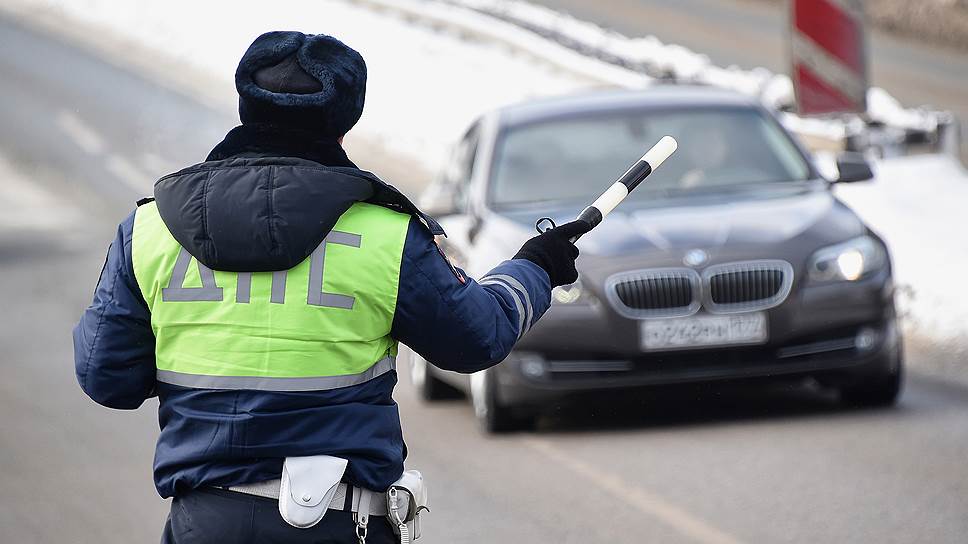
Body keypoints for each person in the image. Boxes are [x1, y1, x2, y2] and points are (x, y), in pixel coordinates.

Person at [73, 30, 590, 543]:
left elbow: (108, 379)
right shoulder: (384, 234)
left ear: (246, 105)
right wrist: (535, 267)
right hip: (336, 523)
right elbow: (476, 337)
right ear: (346, 118)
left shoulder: (150, 230)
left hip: (204, 523)